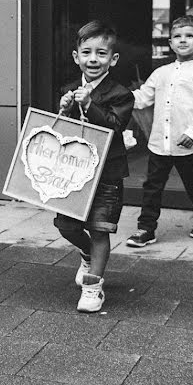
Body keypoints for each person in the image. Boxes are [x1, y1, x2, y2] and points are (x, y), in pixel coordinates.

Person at [54, 20, 134, 313]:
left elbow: (114, 126)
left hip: (107, 174)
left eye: (101, 54)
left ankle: (93, 288)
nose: (93, 59)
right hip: (74, 173)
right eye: (86, 52)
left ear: (112, 60)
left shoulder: (121, 94)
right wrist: (63, 110)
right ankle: (86, 252)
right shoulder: (69, 89)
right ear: (76, 57)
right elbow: (61, 133)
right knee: (64, 224)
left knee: (100, 229)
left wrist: (89, 105)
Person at [126, 14, 193, 248]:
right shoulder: (162, 72)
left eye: (190, 36)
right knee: (152, 186)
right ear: (170, 43)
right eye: (177, 36)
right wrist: (116, 98)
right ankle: (146, 229)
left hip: (185, 143)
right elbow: (142, 98)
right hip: (160, 142)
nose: (183, 40)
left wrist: (192, 133)